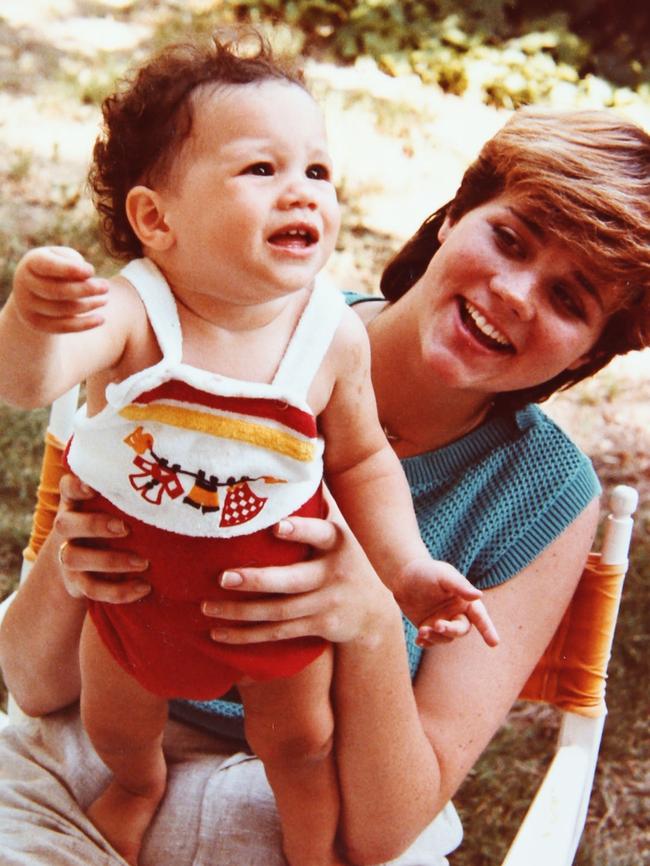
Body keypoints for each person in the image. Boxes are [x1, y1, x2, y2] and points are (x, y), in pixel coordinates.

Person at [1, 104, 649, 866]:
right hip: (94, 772)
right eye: (509, 238)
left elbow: (385, 833)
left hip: (312, 822)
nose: (514, 292)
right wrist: (76, 560)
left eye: (571, 301)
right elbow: (32, 684)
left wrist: (372, 617)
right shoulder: (233, 317)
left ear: (590, 353)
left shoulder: (544, 497)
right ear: (454, 215)